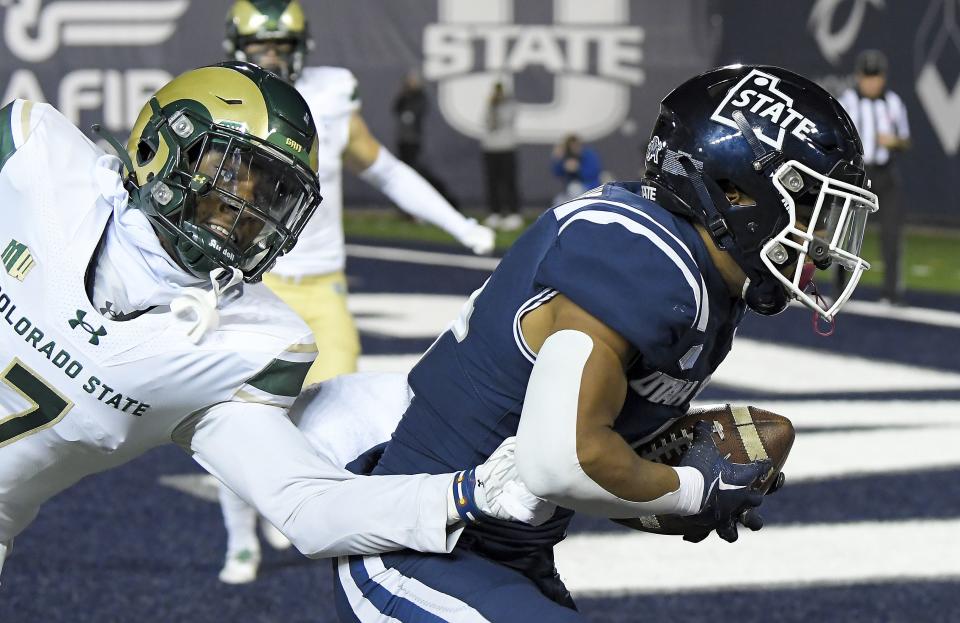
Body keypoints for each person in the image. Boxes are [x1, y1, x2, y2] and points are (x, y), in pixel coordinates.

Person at [326, 65, 879, 621]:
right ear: (735, 191)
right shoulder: (644, 258)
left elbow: (577, 457)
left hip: (506, 550)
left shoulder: (707, 277)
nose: (824, 240)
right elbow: (561, 463)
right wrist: (692, 490)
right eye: (813, 210)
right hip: (419, 541)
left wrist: (665, 477)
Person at [0, 61, 546, 586]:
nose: (245, 207)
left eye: (269, 193)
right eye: (233, 173)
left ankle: (242, 545)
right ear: (164, 142)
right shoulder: (33, 157)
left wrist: (464, 495)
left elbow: (307, 503)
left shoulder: (245, 343)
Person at [218, 0, 496, 582]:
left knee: (338, 418)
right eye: (261, 46)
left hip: (324, 289)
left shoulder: (331, 94)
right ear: (237, 46)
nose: (272, 57)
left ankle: (297, 507)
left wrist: (459, 224)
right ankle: (240, 538)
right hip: (254, 286)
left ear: (301, 48)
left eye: (281, 47)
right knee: (236, 420)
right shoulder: (223, 100)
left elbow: (385, 170)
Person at [839, 49, 910, 304]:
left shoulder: (893, 102)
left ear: (883, 77)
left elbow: (905, 140)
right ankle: (839, 290)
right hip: (858, 176)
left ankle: (892, 292)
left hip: (885, 174)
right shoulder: (847, 101)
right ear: (858, 77)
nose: (871, 82)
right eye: (867, 77)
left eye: (875, 77)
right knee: (845, 234)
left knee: (892, 235)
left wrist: (895, 142)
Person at [392, 70, 460, 209]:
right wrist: (405, 93)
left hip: (414, 141)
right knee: (404, 174)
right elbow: (396, 109)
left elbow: (416, 113)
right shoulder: (405, 97)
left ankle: (436, 201)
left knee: (418, 172)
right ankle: (408, 207)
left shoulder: (420, 97)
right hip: (403, 141)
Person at [481, 81, 523, 232]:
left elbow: (504, 121)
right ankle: (495, 212)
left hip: (506, 147)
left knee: (509, 182)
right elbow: (488, 122)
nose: (498, 94)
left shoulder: (510, 106)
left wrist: (497, 106)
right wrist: (492, 106)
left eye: (500, 91)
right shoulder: (490, 105)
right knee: (492, 182)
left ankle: (513, 213)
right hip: (490, 148)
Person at [550, 133, 602, 205]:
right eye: (571, 145)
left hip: (591, 190)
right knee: (558, 201)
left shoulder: (588, 155)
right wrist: (558, 160)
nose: (574, 147)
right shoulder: (567, 157)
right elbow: (557, 173)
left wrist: (578, 168)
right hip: (572, 192)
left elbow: (592, 174)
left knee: (574, 188)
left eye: (576, 145)